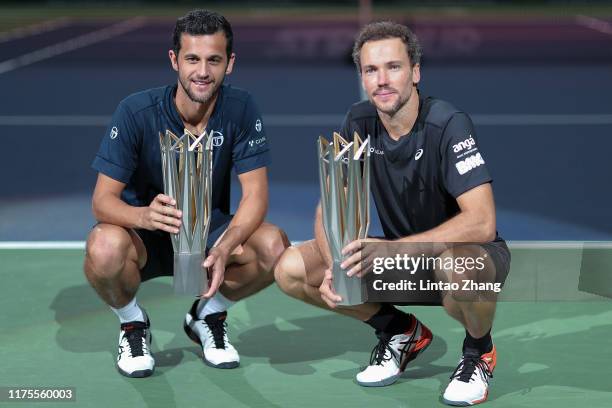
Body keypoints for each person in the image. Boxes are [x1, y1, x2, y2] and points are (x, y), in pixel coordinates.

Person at [274, 21, 510, 406]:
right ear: (362, 78)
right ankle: (401, 332)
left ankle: (478, 351)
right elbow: (331, 202)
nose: (382, 80)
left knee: (459, 269)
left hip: (467, 258)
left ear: (415, 72)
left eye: (393, 67)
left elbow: (482, 222)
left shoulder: (448, 123)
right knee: (291, 268)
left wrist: (394, 251)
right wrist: (334, 259)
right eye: (371, 70)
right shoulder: (359, 122)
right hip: (401, 258)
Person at [84, 9, 288, 378]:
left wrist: (227, 247)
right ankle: (132, 323)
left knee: (274, 247)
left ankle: (206, 315)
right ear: (174, 59)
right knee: (103, 247)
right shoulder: (135, 111)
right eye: (192, 59)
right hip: (144, 236)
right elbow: (102, 201)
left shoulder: (241, 108)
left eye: (214, 60)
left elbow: (255, 195)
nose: (202, 72)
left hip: (208, 234)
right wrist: (144, 215)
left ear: (231, 63)